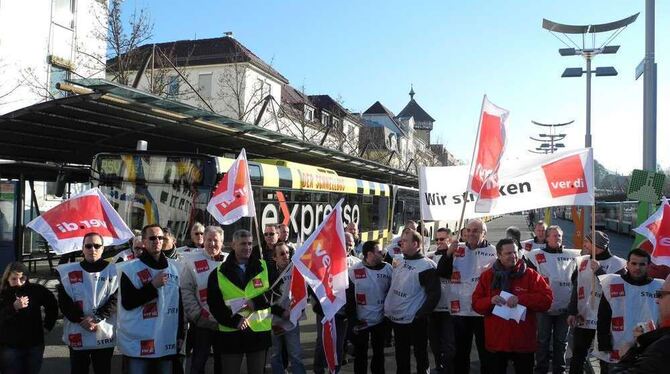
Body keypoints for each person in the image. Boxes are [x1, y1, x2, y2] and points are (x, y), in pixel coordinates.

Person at [472, 238, 552, 374]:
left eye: (515, 252)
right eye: (508, 253)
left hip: (523, 342)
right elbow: (476, 304)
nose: (513, 256)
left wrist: (521, 299)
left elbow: (547, 300)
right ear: (498, 255)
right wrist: (490, 301)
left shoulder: (531, 275)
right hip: (497, 341)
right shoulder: (487, 276)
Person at [117, 224, 184, 373]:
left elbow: (178, 305)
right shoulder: (129, 269)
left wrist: (180, 334)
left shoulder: (174, 268)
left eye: (161, 238)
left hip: (165, 339)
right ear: (144, 241)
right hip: (140, 342)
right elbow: (127, 303)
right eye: (152, 238)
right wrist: (152, 286)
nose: (157, 241)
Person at [207, 229, 272, 374]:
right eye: (243, 244)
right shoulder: (217, 273)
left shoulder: (264, 267)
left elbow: (273, 294)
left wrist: (255, 303)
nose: (247, 247)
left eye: (250, 243)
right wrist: (235, 321)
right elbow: (215, 305)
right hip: (231, 332)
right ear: (233, 245)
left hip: (258, 332)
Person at [437, 219, 496, 374]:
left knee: (487, 352)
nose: (471, 234)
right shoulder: (457, 249)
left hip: (484, 310)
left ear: (484, 233)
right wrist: (448, 254)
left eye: (475, 230)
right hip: (460, 309)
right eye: (468, 230)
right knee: (461, 353)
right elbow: (442, 273)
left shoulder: (494, 252)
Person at [57, 232, 119, 374]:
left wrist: (97, 318)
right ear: (82, 248)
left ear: (103, 248)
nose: (93, 249)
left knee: (102, 370)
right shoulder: (68, 271)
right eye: (88, 246)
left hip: (103, 334)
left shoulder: (114, 271)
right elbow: (64, 300)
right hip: (78, 331)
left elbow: (116, 298)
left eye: (97, 246)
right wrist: (80, 319)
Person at [593, 249, 664, 369]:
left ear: (649, 266)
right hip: (615, 349)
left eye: (642, 264)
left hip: (646, 351)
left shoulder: (659, 287)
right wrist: (604, 344)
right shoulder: (612, 282)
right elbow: (603, 316)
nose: (637, 267)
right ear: (627, 264)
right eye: (634, 263)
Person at [567, 231, 626, 374]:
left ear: (597, 245)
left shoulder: (617, 264)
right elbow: (576, 287)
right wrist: (572, 311)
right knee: (578, 354)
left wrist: (599, 271)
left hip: (606, 319)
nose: (584, 245)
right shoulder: (582, 261)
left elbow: (618, 291)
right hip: (584, 315)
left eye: (588, 242)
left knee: (605, 357)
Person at [384, 229, 441, 374]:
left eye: (405, 240)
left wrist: (419, 315)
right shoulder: (399, 259)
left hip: (415, 320)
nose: (400, 243)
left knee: (420, 354)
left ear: (415, 244)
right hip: (397, 318)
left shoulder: (426, 266)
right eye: (401, 240)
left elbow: (434, 295)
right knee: (401, 354)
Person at [526, 225, 580, 374]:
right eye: (554, 235)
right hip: (544, 308)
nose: (558, 238)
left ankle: (559, 370)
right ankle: (541, 369)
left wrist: (573, 308)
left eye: (560, 236)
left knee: (561, 342)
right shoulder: (535, 255)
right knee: (542, 340)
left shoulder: (572, 256)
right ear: (547, 237)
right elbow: (529, 281)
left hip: (565, 309)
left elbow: (576, 282)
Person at [180, 225, 227, 374]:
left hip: (225, 323)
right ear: (203, 241)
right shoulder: (192, 261)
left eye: (216, 240)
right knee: (198, 363)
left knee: (223, 364)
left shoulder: (230, 261)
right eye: (209, 240)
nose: (212, 244)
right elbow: (186, 290)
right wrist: (197, 316)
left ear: (222, 241)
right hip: (202, 323)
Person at [0, 262, 58, 374]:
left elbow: (52, 305)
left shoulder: (36, 290)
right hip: (10, 345)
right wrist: (13, 307)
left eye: (22, 278)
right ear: (7, 278)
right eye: (14, 279)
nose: (19, 282)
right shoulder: (3, 293)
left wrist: (47, 326)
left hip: (34, 344)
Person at [347, 240, 392, 374]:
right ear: (370, 254)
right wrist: (353, 320)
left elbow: (393, 293)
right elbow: (349, 298)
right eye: (379, 252)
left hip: (380, 320)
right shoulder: (354, 270)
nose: (382, 253)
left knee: (379, 353)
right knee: (360, 354)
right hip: (362, 320)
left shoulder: (388, 268)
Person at [611, 274, 670, 373]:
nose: (656, 300)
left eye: (661, 294)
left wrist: (629, 354)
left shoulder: (663, 348)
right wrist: (648, 340)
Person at [268, 242, 306, 374]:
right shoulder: (268, 273)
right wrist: (281, 312)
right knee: (275, 355)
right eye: (282, 254)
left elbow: (303, 292)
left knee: (295, 355)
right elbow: (264, 299)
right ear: (274, 257)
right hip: (274, 319)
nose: (286, 256)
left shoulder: (296, 269)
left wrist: (297, 310)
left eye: (287, 253)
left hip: (292, 317)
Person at [427, 227, 456, 374]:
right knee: (435, 345)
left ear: (450, 240)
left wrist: (450, 253)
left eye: (442, 239)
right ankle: (439, 367)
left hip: (450, 309)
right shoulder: (430, 256)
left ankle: (448, 369)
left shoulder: (457, 256)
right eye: (436, 239)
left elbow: (443, 272)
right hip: (433, 308)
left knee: (449, 346)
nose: (438, 242)